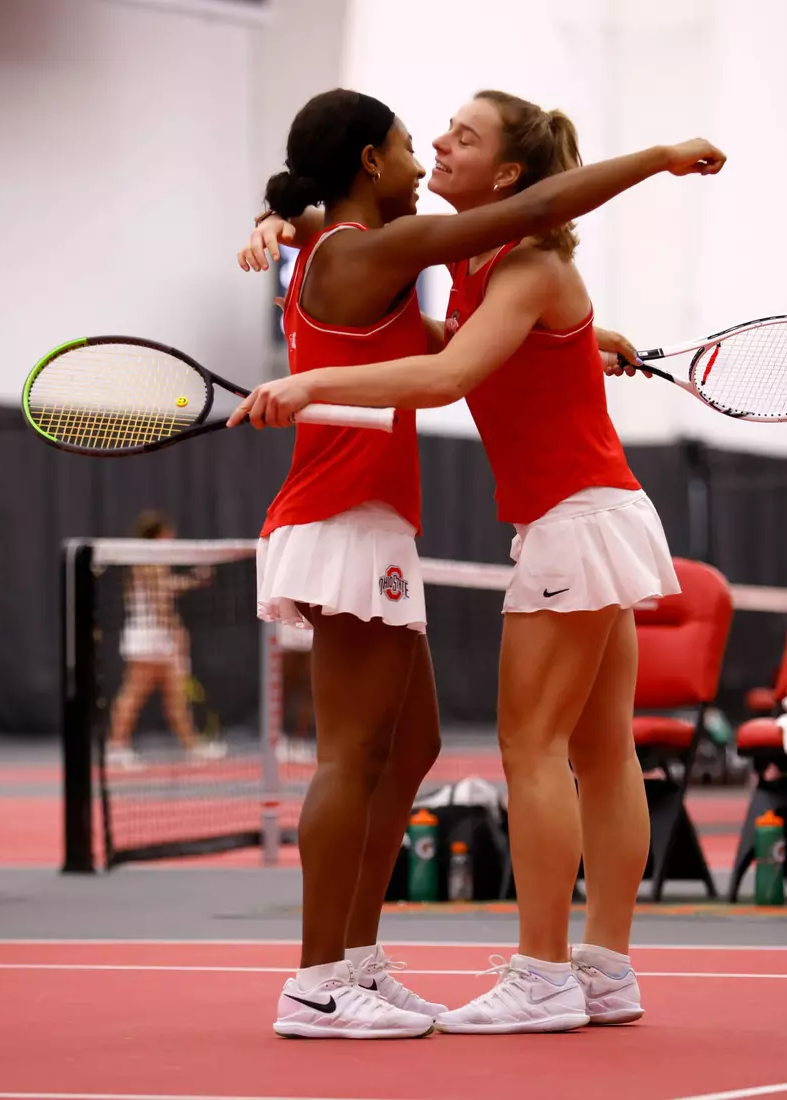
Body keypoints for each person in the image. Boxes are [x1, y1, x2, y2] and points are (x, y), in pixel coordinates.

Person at [239, 86, 724, 1040]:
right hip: (384, 521)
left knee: (522, 749)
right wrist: (280, 235)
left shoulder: (484, 262)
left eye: (456, 139)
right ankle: (328, 979)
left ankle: (546, 974)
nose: (433, 152)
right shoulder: (399, 254)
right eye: (421, 143)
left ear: (504, 169)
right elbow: (451, 348)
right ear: (370, 165)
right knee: (519, 751)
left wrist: (661, 162)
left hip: (560, 520)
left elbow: (459, 347)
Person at [104, 510, 224, 770]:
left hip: (153, 637)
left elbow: (165, 586)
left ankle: (193, 747)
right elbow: (160, 602)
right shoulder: (153, 562)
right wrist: (177, 632)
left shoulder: (145, 561)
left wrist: (193, 581)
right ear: (159, 535)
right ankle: (115, 748)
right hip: (150, 639)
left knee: (175, 696)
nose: (172, 538)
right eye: (168, 534)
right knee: (133, 694)